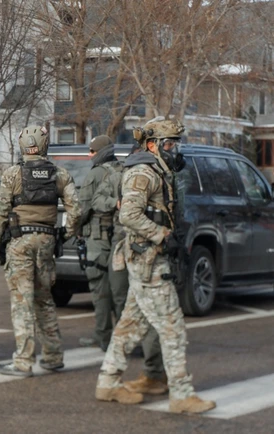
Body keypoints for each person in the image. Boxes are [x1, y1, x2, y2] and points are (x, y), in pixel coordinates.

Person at [95, 117, 216, 414]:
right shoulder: (143, 173)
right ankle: (181, 395)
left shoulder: (158, 171)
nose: (175, 149)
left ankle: (108, 382)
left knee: (130, 326)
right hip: (148, 261)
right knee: (173, 328)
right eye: (170, 144)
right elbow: (129, 215)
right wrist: (162, 235)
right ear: (152, 145)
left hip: (148, 259)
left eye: (176, 144)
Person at [0, 125, 81, 377]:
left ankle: (23, 361)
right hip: (46, 242)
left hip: (20, 242)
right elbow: (76, 210)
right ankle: (53, 355)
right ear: (44, 144)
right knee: (44, 298)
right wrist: (64, 234)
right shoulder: (60, 174)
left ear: (22, 146)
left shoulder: (12, 175)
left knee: (22, 302)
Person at [91, 143, 168, 395]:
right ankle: (130, 355)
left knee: (145, 304)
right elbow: (97, 200)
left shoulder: (160, 176)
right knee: (120, 295)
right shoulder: (117, 176)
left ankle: (150, 363)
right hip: (122, 242)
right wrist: (116, 202)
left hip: (148, 246)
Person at [77, 135, 122, 351]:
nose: (89, 155)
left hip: (98, 238)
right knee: (121, 291)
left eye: (92, 151)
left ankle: (103, 336)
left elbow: (83, 208)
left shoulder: (95, 174)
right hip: (120, 238)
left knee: (100, 289)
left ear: (101, 152)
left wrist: (75, 229)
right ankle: (123, 337)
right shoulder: (123, 170)